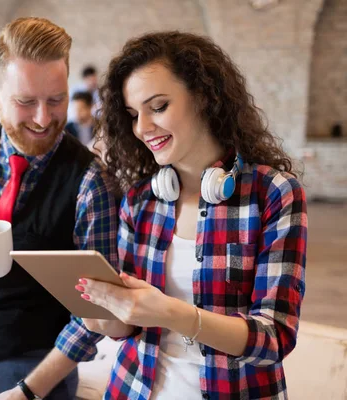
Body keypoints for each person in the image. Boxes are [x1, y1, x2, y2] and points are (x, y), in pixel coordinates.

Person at [74, 31, 308, 399]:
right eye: (134, 114)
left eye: (159, 106)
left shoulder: (273, 193)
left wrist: (171, 313)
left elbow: (274, 339)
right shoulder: (139, 201)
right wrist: (104, 315)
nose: (142, 128)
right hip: (135, 389)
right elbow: (129, 329)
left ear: (203, 96)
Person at [0, 17, 118, 400]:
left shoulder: (91, 182)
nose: (44, 119)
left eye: (56, 99)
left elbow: (98, 311)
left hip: (39, 372)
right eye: (26, 102)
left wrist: (29, 391)